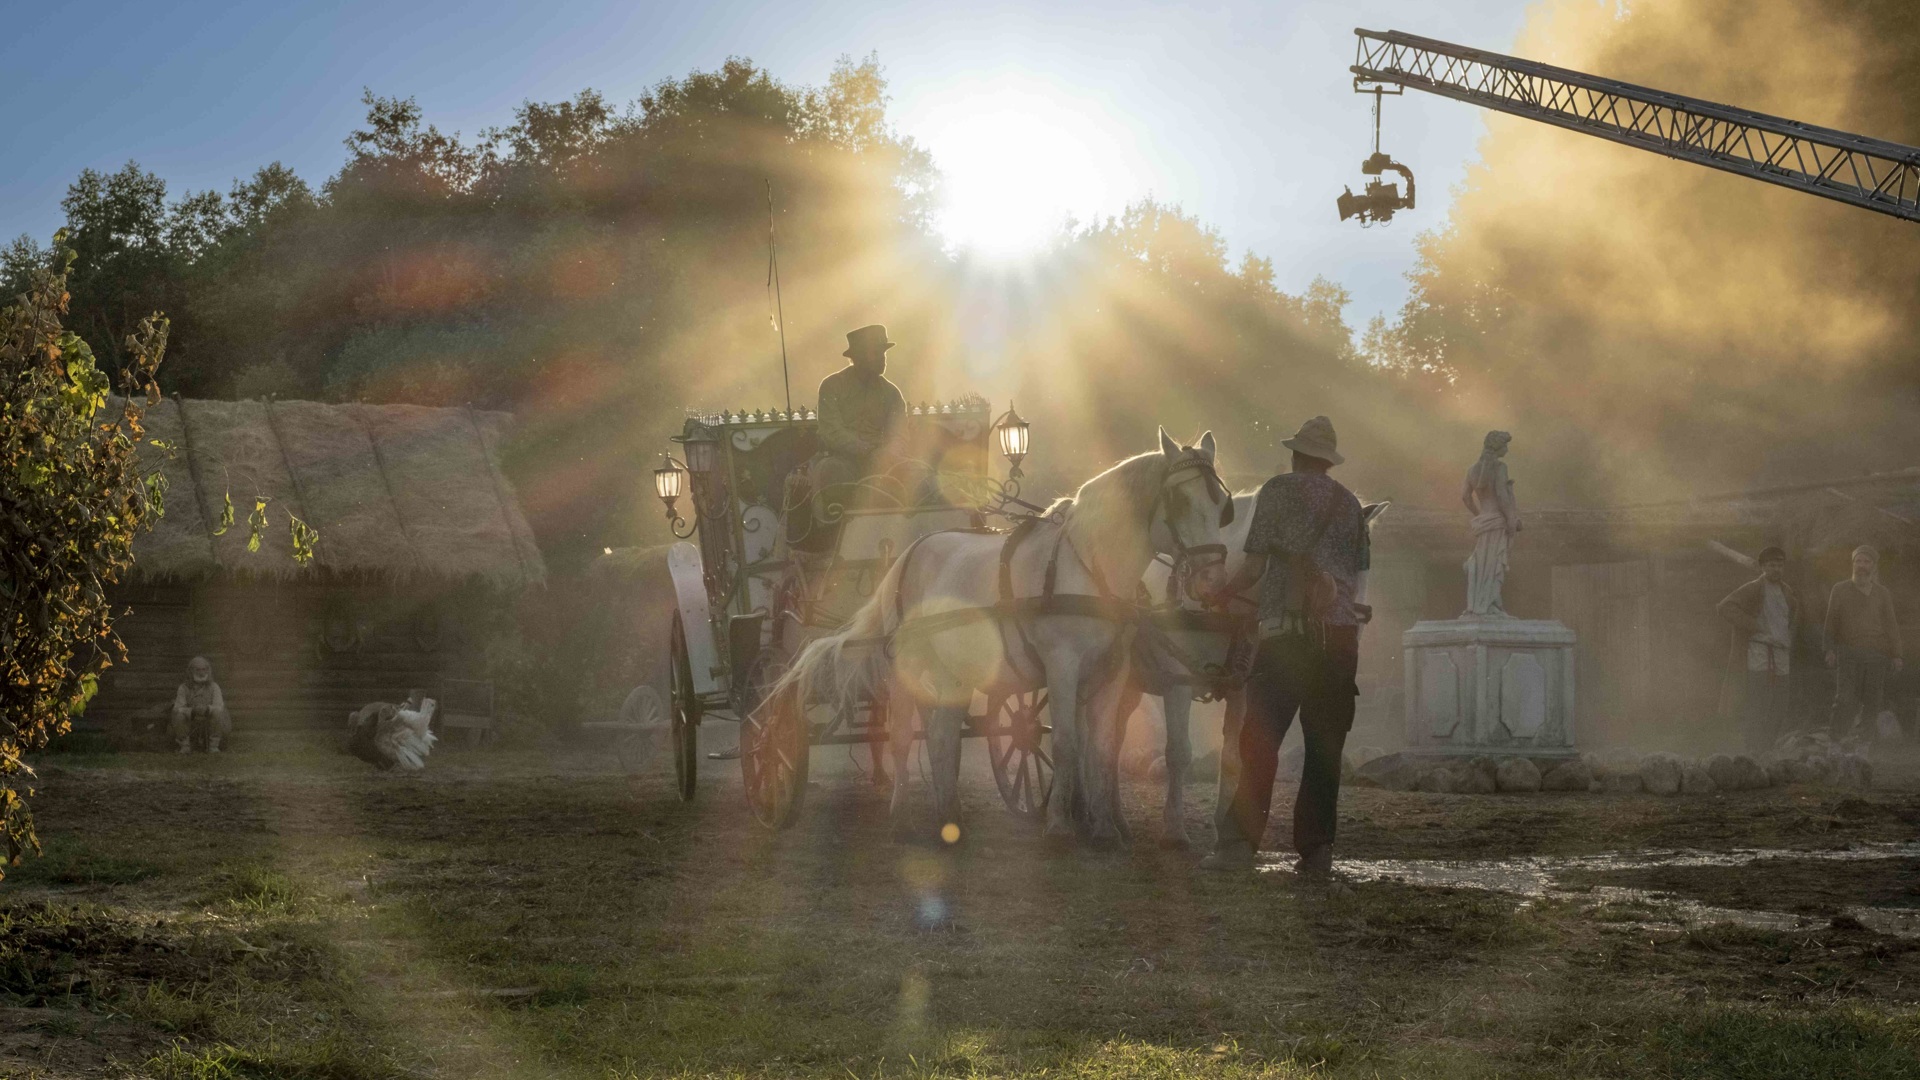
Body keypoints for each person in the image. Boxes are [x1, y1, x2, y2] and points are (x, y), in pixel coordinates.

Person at [1201, 415, 1368, 876]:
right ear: (1328, 462)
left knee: (1260, 741)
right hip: (1338, 642)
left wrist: (1219, 594)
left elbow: (1254, 568)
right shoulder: (1351, 504)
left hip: (1286, 637)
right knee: (1324, 750)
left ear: (1295, 455)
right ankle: (1317, 853)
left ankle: (1237, 847)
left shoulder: (1277, 491)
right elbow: (1358, 577)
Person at [809, 323, 906, 530]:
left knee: (914, 474)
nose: (882, 359)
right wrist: (864, 449)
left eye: (884, 353)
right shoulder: (832, 386)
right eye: (875, 353)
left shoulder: (892, 393)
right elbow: (831, 431)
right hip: (842, 459)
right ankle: (836, 534)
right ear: (858, 357)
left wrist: (886, 454)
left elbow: (899, 434)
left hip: (881, 460)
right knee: (832, 472)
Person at [1716, 546, 1800, 753]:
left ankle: (1767, 748)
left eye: (1780, 565)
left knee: (1779, 706)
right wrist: (1755, 626)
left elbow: (1793, 618)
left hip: (1781, 655)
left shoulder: (1788, 592)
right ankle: (1754, 749)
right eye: (1772, 565)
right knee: (1758, 703)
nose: (1776, 569)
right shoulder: (1754, 588)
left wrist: (1789, 637)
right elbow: (1725, 607)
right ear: (1763, 567)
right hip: (1759, 653)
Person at [1824, 545, 1903, 741]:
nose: (1862, 565)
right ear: (1853, 564)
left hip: (1876, 655)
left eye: (1866, 561)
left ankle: (1863, 745)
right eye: (1858, 561)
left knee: (1872, 702)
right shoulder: (1840, 589)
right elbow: (1831, 621)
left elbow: (1891, 625)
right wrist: (1829, 649)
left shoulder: (1882, 593)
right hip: (1848, 653)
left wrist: (1896, 655)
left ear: (1873, 566)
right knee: (1844, 700)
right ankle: (1835, 742)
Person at [1461, 430, 1521, 617]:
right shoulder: (1500, 467)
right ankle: (1488, 605)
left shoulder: (1472, 470)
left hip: (1485, 521)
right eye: (1505, 446)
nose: (1507, 450)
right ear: (1498, 447)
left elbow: (1465, 497)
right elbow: (1502, 496)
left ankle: (1482, 604)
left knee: (1482, 563)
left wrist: (1480, 515)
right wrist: (1511, 519)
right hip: (1497, 521)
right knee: (1494, 563)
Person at [171, 655, 231, 753]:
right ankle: (185, 745)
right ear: (191, 671)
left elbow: (219, 706)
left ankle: (213, 746)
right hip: (191, 718)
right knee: (177, 715)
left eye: (204, 669)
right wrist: (192, 710)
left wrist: (207, 709)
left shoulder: (214, 687)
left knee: (219, 713)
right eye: (198, 670)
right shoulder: (184, 687)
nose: (201, 673)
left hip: (209, 717)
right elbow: (178, 707)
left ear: (208, 671)